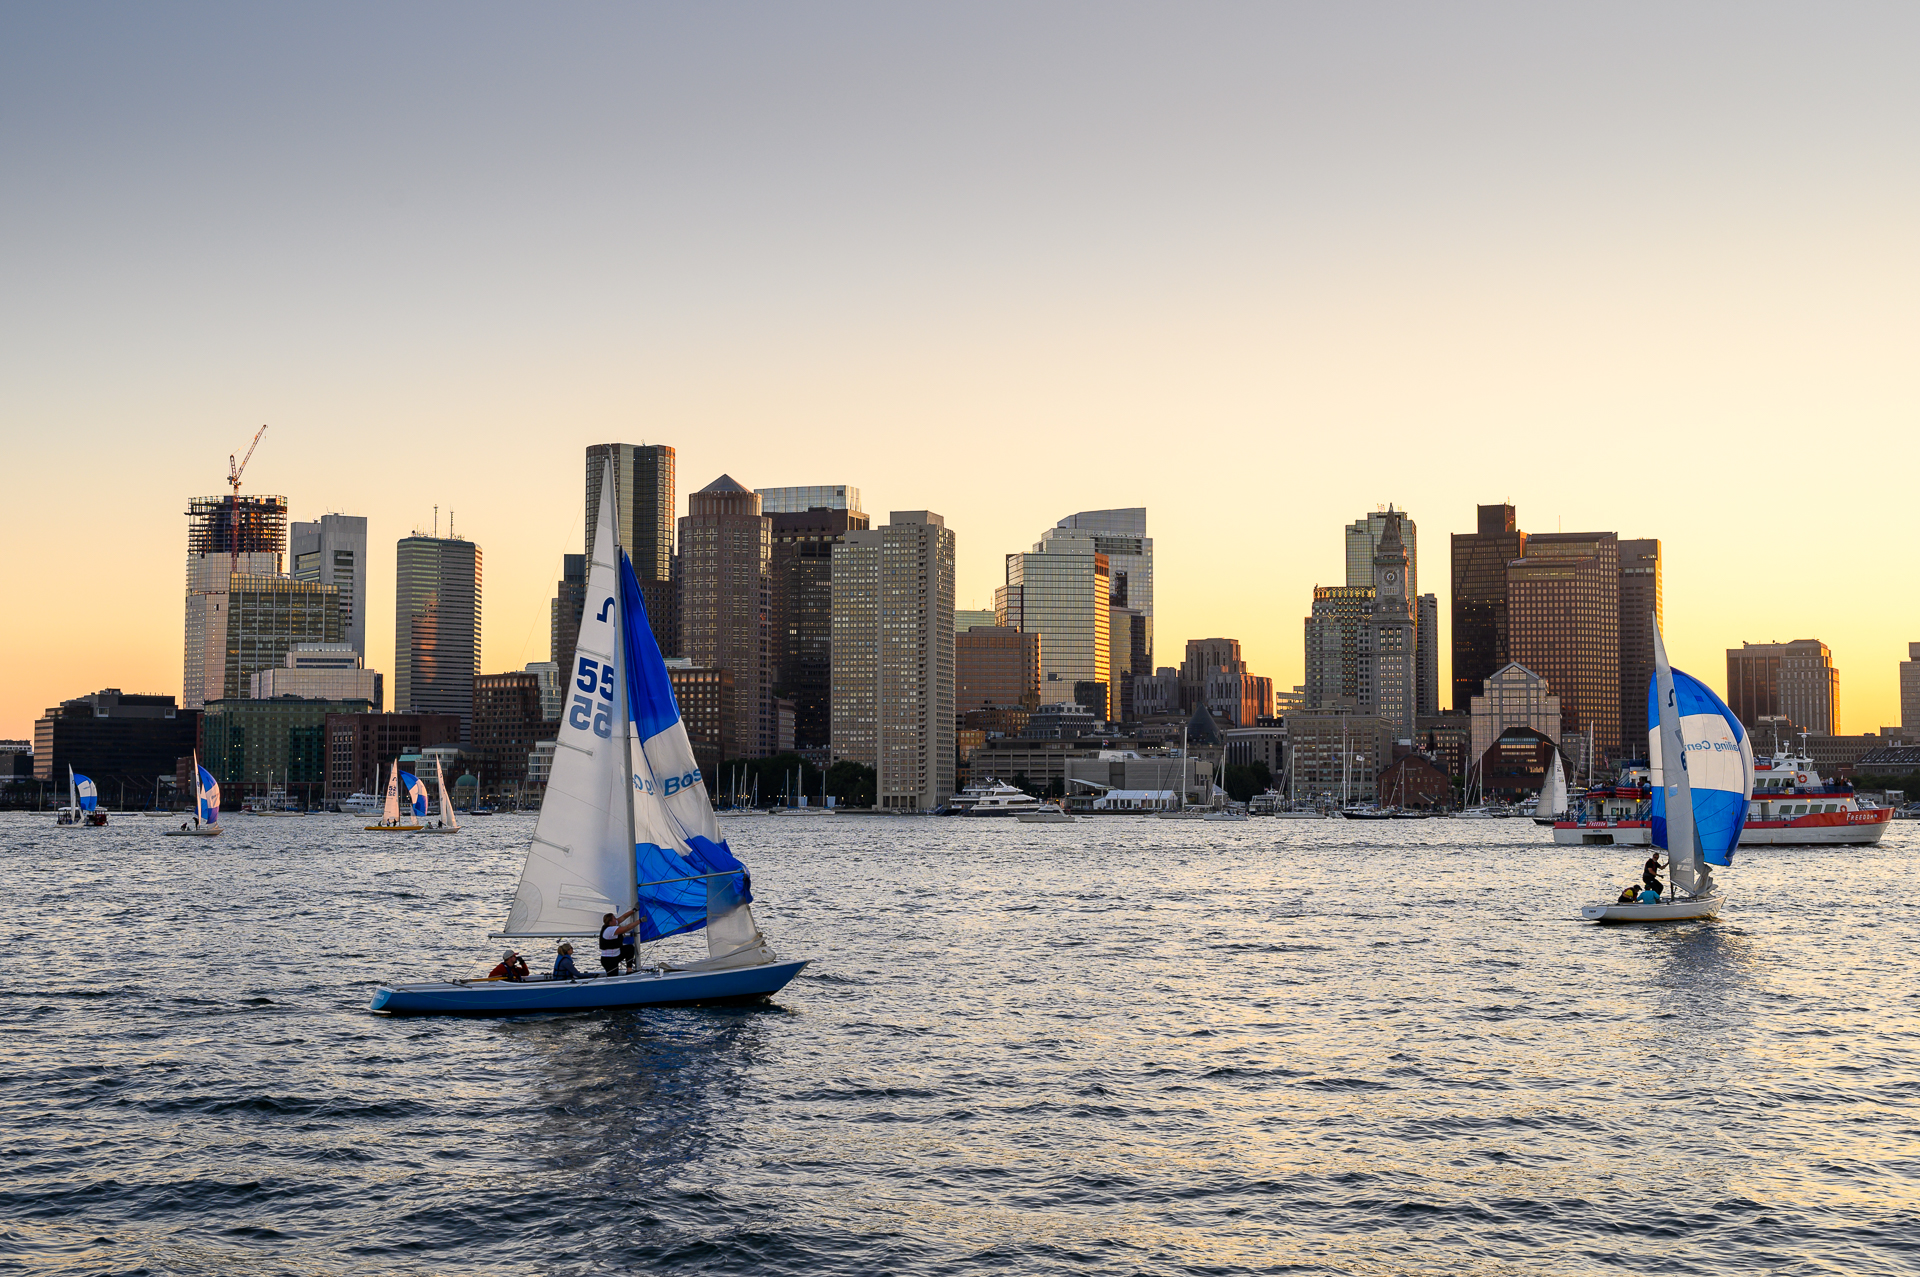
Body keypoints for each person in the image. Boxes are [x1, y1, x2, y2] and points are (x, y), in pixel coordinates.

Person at [599, 907, 640, 976]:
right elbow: (627, 928)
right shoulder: (610, 930)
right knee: (613, 977)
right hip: (608, 959)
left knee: (629, 948)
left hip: (616, 955)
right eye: (614, 918)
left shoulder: (611, 924)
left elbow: (623, 917)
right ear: (610, 922)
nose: (616, 919)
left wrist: (633, 911)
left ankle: (629, 970)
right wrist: (640, 921)